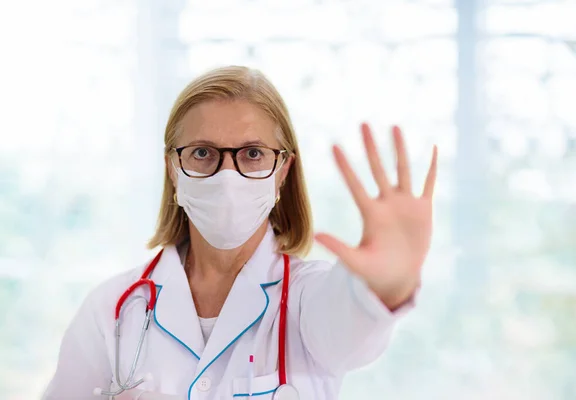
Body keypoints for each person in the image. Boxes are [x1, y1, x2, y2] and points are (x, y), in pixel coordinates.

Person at [42, 66, 437, 400]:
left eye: (252, 153)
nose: (227, 176)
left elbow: (352, 322)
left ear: (282, 170)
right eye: (202, 153)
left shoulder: (306, 300)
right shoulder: (113, 309)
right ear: (172, 168)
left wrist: (386, 288)